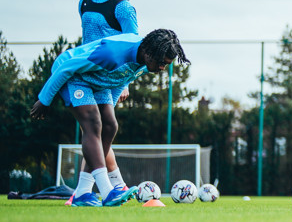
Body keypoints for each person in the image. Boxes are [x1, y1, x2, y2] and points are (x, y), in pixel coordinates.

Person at [30, 30, 188, 207]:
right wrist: (45, 99)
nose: (162, 68)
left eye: (166, 64)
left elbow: (121, 79)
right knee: (93, 122)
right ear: (149, 53)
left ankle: (82, 193)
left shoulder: (145, 61)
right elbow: (66, 67)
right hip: (74, 77)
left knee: (110, 126)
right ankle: (107, 191)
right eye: (161, 63)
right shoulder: (111, 53)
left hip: (99, 80)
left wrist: (108, 110)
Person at [68, 0, 139, 205]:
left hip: (111, 78)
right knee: (96, 129)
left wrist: (125, 82)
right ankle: (107, 188)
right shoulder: (84, 3)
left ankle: (91, 189)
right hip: (85, 74)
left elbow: (133, 45)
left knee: (102, 129)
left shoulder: (123, 7)